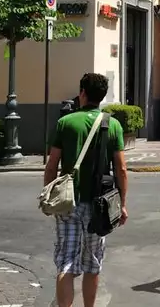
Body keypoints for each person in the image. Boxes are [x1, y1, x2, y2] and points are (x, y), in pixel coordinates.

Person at [43, 73, 128, 307]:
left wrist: (48, 196)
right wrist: (122, 204)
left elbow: (52, 167)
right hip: (100, 204)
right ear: (102, 96)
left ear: (82, 93)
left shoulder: (66, 123)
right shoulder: (113, 124)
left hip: (69, 202)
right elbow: (121, 169)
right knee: (92, 262)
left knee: (66, 262)